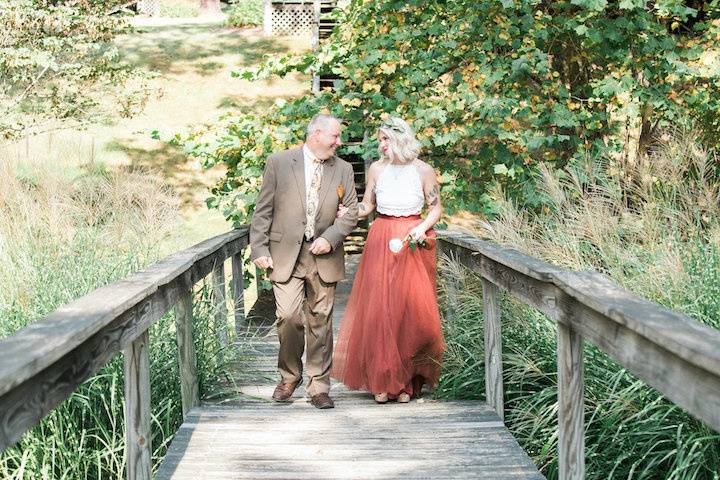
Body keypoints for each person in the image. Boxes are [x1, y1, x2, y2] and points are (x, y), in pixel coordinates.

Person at [332, 116, 445, 404]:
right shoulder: (376, 169)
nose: (380, 145)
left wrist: (421, 227)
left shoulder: (423, 170)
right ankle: (382, 381)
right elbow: (368, 205)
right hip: (381, 237)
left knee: (408, 310)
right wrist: (349, 212)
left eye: (385, 139)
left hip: (412, 238)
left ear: (400, 139)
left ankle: (406, 383)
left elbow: (435, 208)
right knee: (380, 308)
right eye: (379, 140)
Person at [250, 114, 359, 409]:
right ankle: (289, 377)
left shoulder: (344, 169)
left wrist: (332, 236)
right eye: (334, 137)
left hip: (324, 255)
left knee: (321, 321)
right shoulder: (280, 162)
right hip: (286, 254)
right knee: (288, 317)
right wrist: (259, 248)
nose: (339, 143)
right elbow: (263, 209)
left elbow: (351, 210)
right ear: (316, 134)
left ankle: (319, 386)